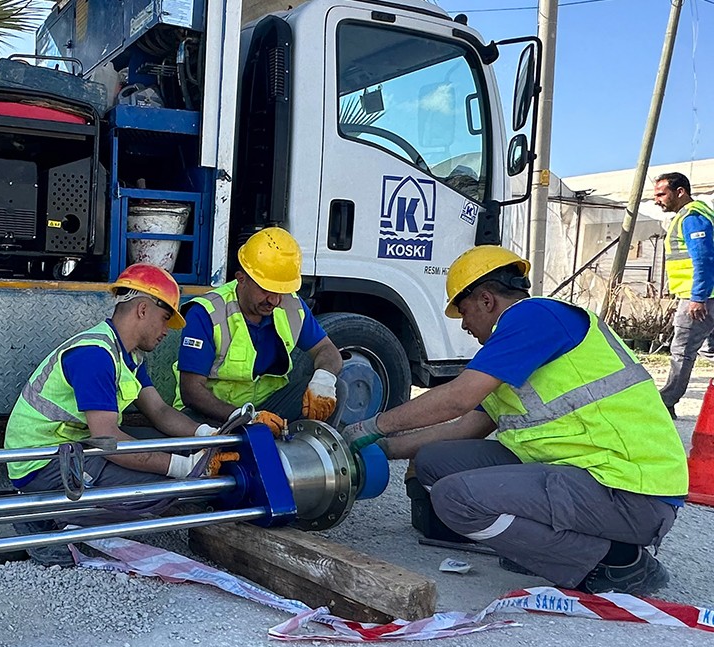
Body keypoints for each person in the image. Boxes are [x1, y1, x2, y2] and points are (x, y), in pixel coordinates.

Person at [342, 246, 687, 595]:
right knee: (434, 462)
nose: (464, 325)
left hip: (630, 491)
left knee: (455, 498)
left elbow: (457, 399)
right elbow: (465, 428)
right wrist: (380, 448)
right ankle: (539, 545)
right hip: (582, 472)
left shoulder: (536, 317)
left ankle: (621, 562)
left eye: (464, 311)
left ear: (486, 300)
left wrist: (372, 425)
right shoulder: (512, 345)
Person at [3, 263, 237, 563]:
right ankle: (44, 520)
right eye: (165, 318)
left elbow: (161, 412)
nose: (167, 331)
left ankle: (63, 507)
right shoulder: (96, 356)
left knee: (166, 462)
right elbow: (107, 440)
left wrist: (209, 437)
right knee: (160, 493)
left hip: (73, 446)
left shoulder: (130, 356)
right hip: (41, 463)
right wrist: (182, 467)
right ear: (142, 309)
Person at [174, 227, 345, 434]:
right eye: (265, 290)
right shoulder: (207, 313)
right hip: (214, 415)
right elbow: (191, 391)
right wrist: (245, 417)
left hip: (268, 410)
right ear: (241, 279)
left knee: (335, 391)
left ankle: (306, 457)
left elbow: (327, 350)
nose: (274, 300)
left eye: (280, 290)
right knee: (205, 442)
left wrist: (323, 380)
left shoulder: (292, 306)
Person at [655, 172, 714, 418]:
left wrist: (697, 297)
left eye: (661, 194)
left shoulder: (692, 217)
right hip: (705, 295)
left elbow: (702, 258)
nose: (657, 200)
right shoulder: (698, 214)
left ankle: (665, 402)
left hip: (701, 298)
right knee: (708, 350)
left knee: (682, 351)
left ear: (680, 192)